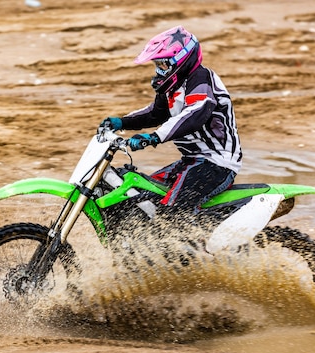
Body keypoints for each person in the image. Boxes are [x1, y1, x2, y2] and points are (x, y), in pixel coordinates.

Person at [101, 26, 242, 218]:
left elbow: (195, 114)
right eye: (157, 65)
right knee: (143, 197)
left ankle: (190, 245)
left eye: (163, 66)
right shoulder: (172, 88)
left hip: (217, 163)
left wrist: (153, 137)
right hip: (191, 161)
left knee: (172, 212)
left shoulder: (201, 79)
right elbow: (154, 114)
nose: (159, 71)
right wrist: (120, 122)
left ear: (181, 61)